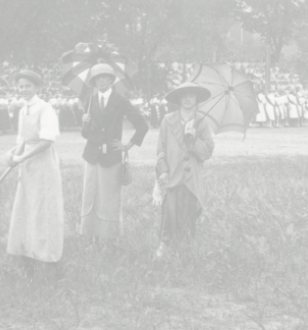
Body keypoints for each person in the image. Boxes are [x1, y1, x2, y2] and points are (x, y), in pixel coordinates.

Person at [79, 63, 149, 244]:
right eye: (97, 78)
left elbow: (142, 125)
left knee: (109, 199)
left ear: (111, 80)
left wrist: (127, 146)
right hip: (92, 156)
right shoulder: (90, 101)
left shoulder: (120, 101)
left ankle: (109, 239)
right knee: (91, 197)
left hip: (111, 157)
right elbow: (86, 135)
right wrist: (84, 123)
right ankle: (93, 237)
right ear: (94, 82)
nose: (101, 80)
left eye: (105, 77)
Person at [5, 70, 64, 269]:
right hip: (28, 164)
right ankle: (27, 250)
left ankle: (47, 255)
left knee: (44, 208)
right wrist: (12, 153)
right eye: (20, 86)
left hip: (44, 163)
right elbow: (22, 140)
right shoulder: (23, 110)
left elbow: (47, 141)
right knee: (27, 205)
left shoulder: (45, 109)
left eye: (27, 86)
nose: (23, 90)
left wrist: (22, 157)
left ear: (37, 88)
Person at [154, 81, 214, 259]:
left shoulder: (201, 122)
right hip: (172, 174)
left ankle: (186, 248)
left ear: (196, 99)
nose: (188, 99)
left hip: (191, 177)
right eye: (184, 95)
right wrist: (163, 170)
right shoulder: (167, 120)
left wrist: (194, 140)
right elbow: (161, 149)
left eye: (192, 96)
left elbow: (208, 151)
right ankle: (165, 245)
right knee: (169, 211)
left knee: (189, 212)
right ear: (179, 99)